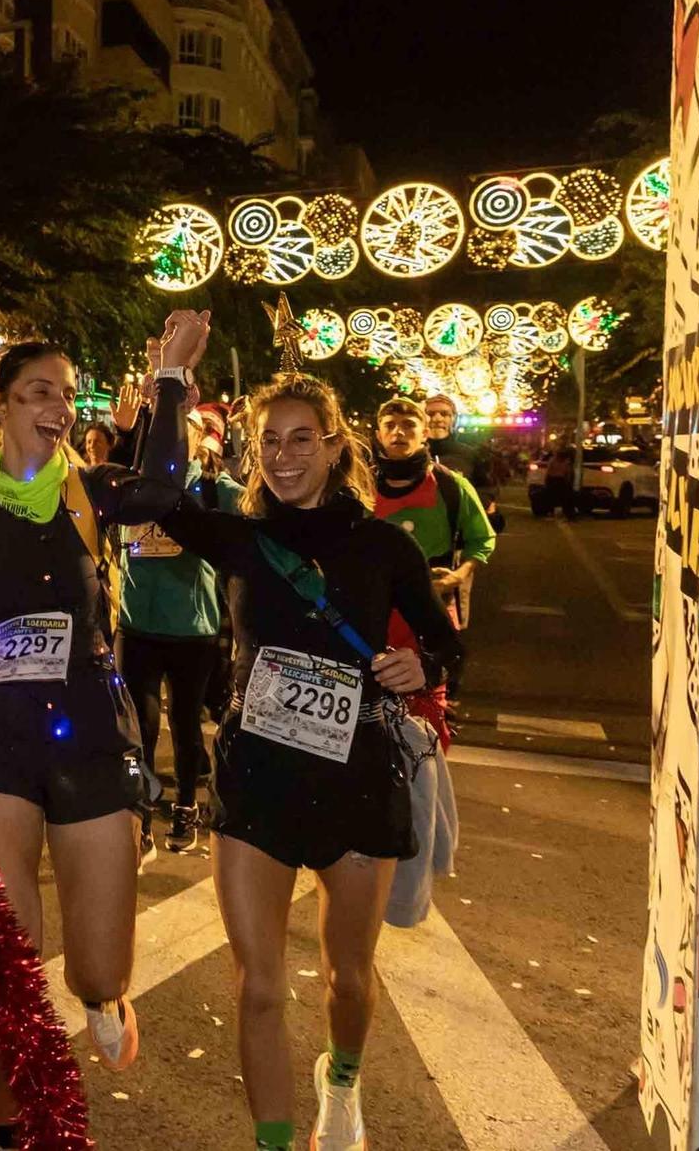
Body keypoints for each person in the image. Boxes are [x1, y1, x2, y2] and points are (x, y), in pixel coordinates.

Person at [155, 375, 462, 1151]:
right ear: (251, 449)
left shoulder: (384, 544)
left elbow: (446, 640)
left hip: (355, 775)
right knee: (257, 985)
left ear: (333, 444)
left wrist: (419, 663)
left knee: (347, 978)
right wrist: (168, 385)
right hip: (257, 775)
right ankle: (275, 1141)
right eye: (270, 440)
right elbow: (149, 499)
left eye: (301, 438)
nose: (284, 456)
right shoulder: (238, 534)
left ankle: (344, 1079)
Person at [0, 315, 210, 1148]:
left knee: (96, 967)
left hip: (91, 728)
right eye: (37, 391)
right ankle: (7, 1129)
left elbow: (164, 484)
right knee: (3, 967)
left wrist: (167, 377)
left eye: (64, 391)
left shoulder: (94, 489)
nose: (57, 406)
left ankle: (103, 993)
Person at [117, 406, 243, 855]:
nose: (167, 439)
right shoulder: (125, 483)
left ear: (197, 439)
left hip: (193, 630)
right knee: (140, 729)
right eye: (158, 432)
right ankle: (144, 809)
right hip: (136, 627)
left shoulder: (211, 487)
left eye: (179, 431)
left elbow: (257, 511)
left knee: (186, 726)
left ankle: (187, 804)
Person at [375, 397, 496, 646]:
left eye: (409, 425)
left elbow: (483, 539)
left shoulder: (451, 485)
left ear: (425, 433)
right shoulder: (360, 486)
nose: (399, 432)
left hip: (432, 610)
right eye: (390, 425)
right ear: (379, 434)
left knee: (433, 680)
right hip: (372, 612)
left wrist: (458, 576)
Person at [423, 394, 500, 532]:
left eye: (445, 414)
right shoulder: (409, 452)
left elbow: (486, 488)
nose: (437, 418)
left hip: (458, 535)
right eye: (430, 413)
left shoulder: (469, 454)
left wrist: (475, 507)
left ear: (454, 419)